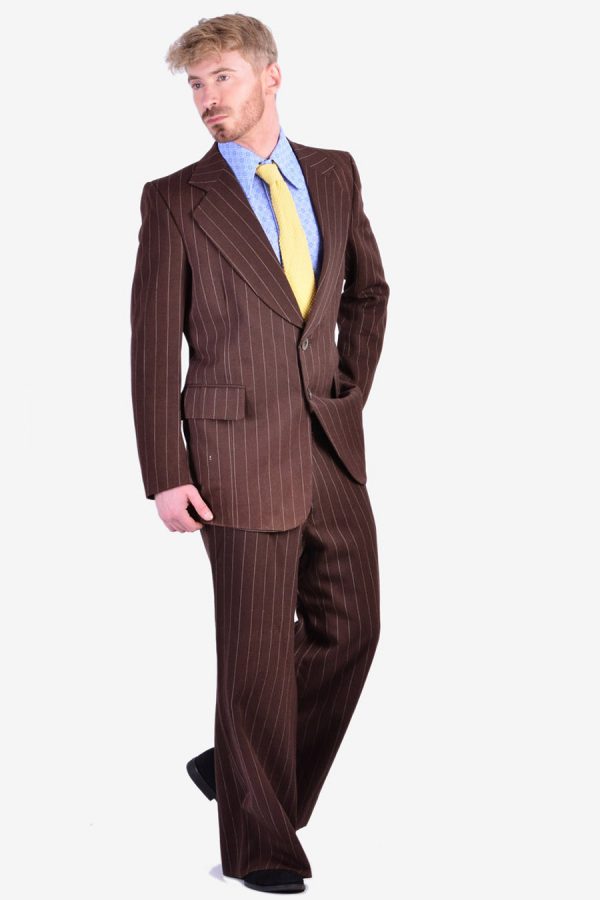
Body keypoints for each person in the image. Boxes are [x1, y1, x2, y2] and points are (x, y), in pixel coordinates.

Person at [130, 13, 389, 895]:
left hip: (329, 443)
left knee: (353, 627)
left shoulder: (335, 173)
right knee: (253, 656)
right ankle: (260, 844)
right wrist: (165, 470)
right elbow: (152, 343)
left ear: (271, 77)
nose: (208, 99)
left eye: (223, 78)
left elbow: (369, 291)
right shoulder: (176, 199)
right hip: (231, 452)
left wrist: (346, 390)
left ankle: (238, 769)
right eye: (196, 85)